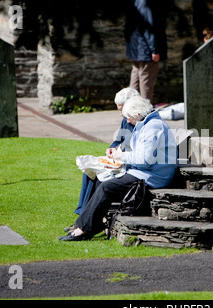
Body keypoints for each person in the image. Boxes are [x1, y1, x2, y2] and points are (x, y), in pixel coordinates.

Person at [60, 96, 177, 241]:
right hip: (144, 172)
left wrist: (121, 156)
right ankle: (86, 224)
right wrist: (119, 156)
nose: (127, 121)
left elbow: (145, 160)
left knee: (106, 187)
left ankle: (83, 230)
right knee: (100, 179)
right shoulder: (147, 124)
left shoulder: (152, 127)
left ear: (138, 114)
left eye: (128, 117)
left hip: (151, 177)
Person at [72, 87, 140, 218]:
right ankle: (81, 213)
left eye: (122, 110)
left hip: (127, 165)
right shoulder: (126, 121)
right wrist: (111, 149)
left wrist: (119, 155)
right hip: (118, 160)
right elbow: (118, 140)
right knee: (88, 171)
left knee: (98, 176)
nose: (121, 114)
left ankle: (84, 218)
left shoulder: (138, 122)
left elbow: (135, 150)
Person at [125, 0, 167, 103]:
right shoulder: (145, 3)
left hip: (136, 49)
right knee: (146, 82)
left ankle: (129, 109)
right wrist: (154, 50)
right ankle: (146, 111)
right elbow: (149, 28)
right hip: (145, 50)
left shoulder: (135, 2)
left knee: (135, 80)